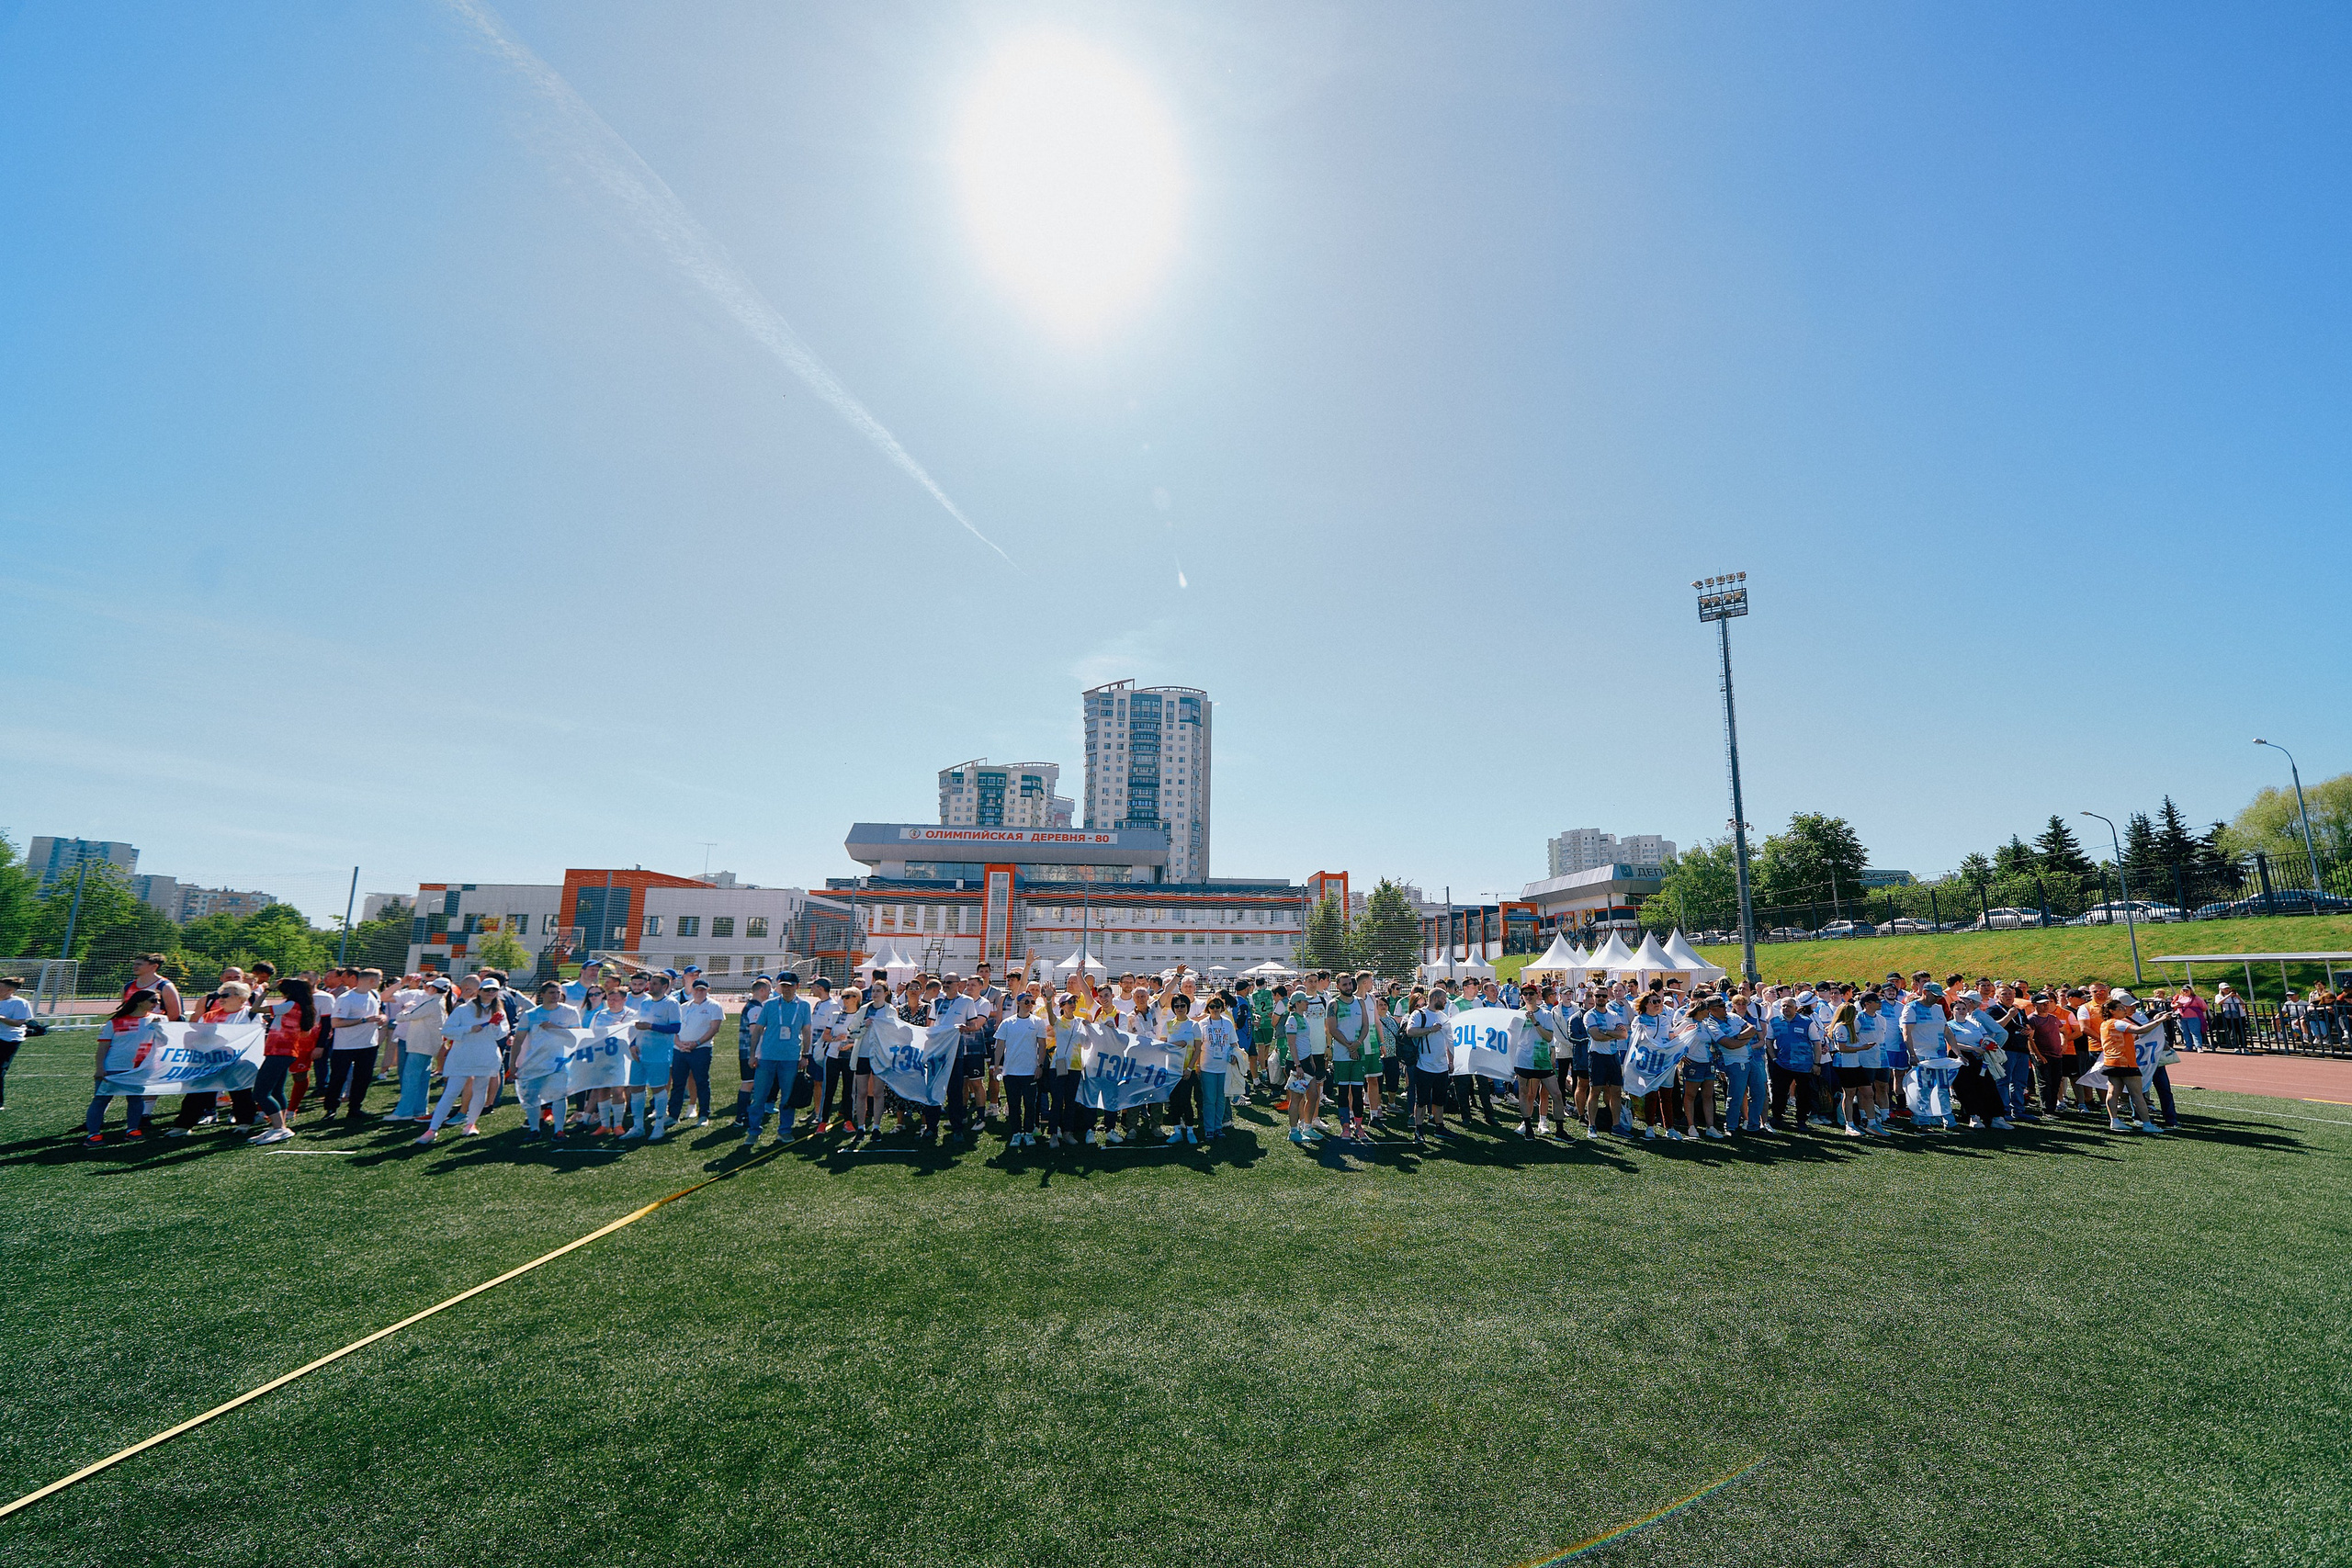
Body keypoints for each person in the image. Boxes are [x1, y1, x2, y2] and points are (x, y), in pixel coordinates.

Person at [417, 977, 508, 1144]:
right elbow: (447, 1031)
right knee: (451, 1092)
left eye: (494, 990)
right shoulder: (463, 1009)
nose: (490, 992)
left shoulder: (499, 1012)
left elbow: (501, 1034)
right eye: (487, 989)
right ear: (479, 991)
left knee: (480, 1090)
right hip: (462, 1056)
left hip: (486, 1056)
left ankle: (470, 1124)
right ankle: (432, 1129)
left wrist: (495, 1026)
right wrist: (469, 1029)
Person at [84, 989, 166, 1145]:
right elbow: (103, 1048)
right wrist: (100, 1068)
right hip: (113, 1068)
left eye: (158, 1001)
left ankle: (132, 1130)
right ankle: (93, 1134)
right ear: (139, 1002)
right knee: (101, 1100)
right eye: (153, 1000)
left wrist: (160, 1028)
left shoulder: (160, 1020)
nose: (156, 1004)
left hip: (140, 1068)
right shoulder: (115, 1022)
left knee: (136, 1099)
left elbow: (164, 1043)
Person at [744, 972, 812, 1149]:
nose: (787, 989)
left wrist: (805, 1055)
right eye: (784, 986)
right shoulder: (769, 1004)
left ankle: (785, 1130)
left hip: (790, 1058)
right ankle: (753, 1131)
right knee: (759, 1096)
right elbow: (758, 1030)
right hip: (767, 1056)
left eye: (790, 986)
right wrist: (753, 1054)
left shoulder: (804, 1006)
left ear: (797, 986)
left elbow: (806, 1031)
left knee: (787, 1098)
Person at [247, 977, 317, 1145]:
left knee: (260, 1093)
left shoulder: (290, 1005)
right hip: (285, 1052)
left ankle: (280, 1128)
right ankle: (279, 1126)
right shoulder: (300, 1006)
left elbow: (255, 1008)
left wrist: (267, 990)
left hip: (279, 1052)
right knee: (277, 1091)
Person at [514, 981, 581, 1139]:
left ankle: (559, 1130)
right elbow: (518, 1040)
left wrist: (555, 1027)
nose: (555, 996)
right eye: (551, 992)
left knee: (559, 1095)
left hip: (560, 1061)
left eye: (558, 993)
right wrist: (513, 1064)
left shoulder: (570, 1012)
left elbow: (577, 1036)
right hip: (535, 1061)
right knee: (532, 1096)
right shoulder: (530, 1014)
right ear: (542, 994)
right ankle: (534, 1129)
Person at [2097, 997, 2171, 1133]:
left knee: (2113, 1092)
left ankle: (2114, 1121)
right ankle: (2147, 1124)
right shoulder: (2117, 1023)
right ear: (2112, 1011)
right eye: (2120, 1008)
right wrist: (2160, 1020)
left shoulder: (2105, 1024)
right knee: (2137, 1094)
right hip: (2125, 1063)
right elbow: (2140, 1030)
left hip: (2111, 1062)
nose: (2124, 1010)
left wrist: (2154, 1020)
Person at [321, 967, 384, 1124]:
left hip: (369, 1044)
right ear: (371, 980)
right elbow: (336, 1023)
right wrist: (364, 1020)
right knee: (338, 1078)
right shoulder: (346, 998)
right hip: (345, 1046)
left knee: (363, 1078)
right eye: (379, 979)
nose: (380, 982)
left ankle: (355, 1108)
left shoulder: (374, 995)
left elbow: (379, 1013)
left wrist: (383, 1018)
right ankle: (331, 1109)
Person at [625, 972, 681, 1140]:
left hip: (659, 1054)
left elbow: (675, 1028)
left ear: (665, 986)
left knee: (658, 1089)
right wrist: (632, 1045)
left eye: (655, 983)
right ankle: (638, 1126)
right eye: (651, 983)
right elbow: (636, 1026)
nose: (651, 986)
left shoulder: (671, 1003)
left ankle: (659, 1126)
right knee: (636, 1088)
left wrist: (650, 1026)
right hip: (640, 1053)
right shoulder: (645, 1003)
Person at [997, 990, 1049, 1148]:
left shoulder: (1038, 1022)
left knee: (1030, 1104)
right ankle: (1016, 1133)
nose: (1029, 1005)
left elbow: (1042, 1046)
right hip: (1011, 1072)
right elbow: (1000, 1046)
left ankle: (1028, 1132)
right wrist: (997, 1066)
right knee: (1013, 1105)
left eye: (1032, 1002)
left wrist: (1040, 1065)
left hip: (1030, 1071)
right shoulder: (1007, 1023)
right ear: (1018, 1003)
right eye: (1026, 1002)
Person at [1404, 986, 1453, 1148]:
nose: (1445, 1002)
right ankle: (1418, 1129)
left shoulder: (1443, 1016)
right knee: (1422, 1100)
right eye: (1444, 999)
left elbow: (1449, 1041)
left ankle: (1439, 1127)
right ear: (1435, 998)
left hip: (1442, 1066)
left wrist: (1451, 1061)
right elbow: (1410, 1031)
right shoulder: (1419, 1014)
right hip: (1424, 1065)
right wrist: (1430, 1029)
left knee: (1439, 1100)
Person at [672, 979, 723, 1126]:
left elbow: (714, 1028)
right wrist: (679, 1043)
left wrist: (697, 1043)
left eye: (702, 990)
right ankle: (674, 1115)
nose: (699, 992)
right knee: (678, 1083)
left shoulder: (714, 1006)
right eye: (697, 989)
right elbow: (675, 1028)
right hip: (680, 1050)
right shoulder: (683, 1007)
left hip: (701, 1050)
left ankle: (704, 1115)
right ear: (692, 990)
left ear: (708, 990)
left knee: (701, 1082)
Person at [1582, 984, 1631, 1139]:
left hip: (1613, 1056)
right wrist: (1613, 1034)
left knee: (1616, 1092)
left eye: (1604, 996)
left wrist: (1606, 1031)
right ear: (1594, 997)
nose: (1601, 998)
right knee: (1595, 1091)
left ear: (1608, 997)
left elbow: (1624, 1035)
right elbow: (1596, 1036)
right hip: (1597, 1057)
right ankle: (1592, 1125)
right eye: (1598, 996)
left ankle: (1616, 1126)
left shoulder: (1614, 1015)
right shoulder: (1589, 1015)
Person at [1326, 973, 1370, 1142]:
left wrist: (1357, 1044)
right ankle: (1345, 1126)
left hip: (1359, 1053)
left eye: (1349, 984)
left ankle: (1358, 1126)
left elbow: (1365, 1025)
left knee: (1358, 1092)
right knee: (1343, 1092)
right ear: (1338, 986)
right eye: (1344, 985)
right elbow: (1332, 1029)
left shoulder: (1360, 1002)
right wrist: (1349, 1046)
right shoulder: (1333, 1004)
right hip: (1342, 1055)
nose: (1348, 987)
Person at [0, 975, 30, 1112]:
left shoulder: (19, 1003)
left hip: (9, 1039)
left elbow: (19, 1022)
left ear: (10, 990)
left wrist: (1, 1018)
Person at [2172, 984, 2209, 1052]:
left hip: (2193, 1017)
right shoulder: (2179, 997)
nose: (2185, 991)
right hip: (2182, 1017)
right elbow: (2173, 1005)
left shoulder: (2196, 998)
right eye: (2183, 990)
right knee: (2185, 1032)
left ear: (2190, 990)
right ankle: (2188, 1046)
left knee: (2195, 1032)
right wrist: (2178, 1005)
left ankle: (2198, 1047)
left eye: (2187, 990)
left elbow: (2204, 1007)